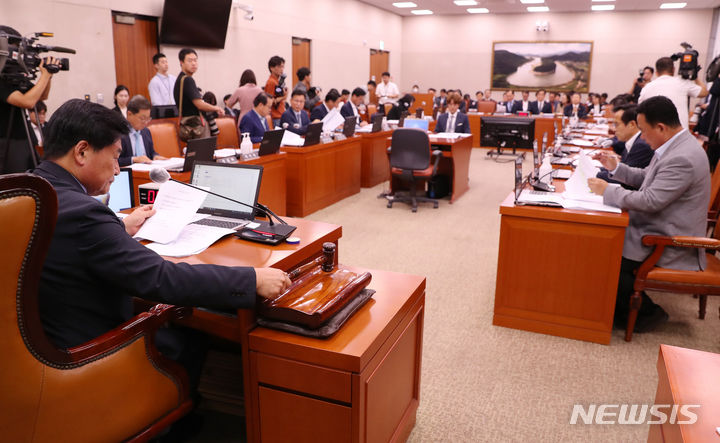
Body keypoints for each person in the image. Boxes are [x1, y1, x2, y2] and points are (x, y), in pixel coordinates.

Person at [32, 98, 290, 351]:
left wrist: (119, 228)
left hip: (45, 341)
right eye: (114, 157)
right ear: (81, 151)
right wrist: (251, 278)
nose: (117, 170)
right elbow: (160, 277)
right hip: (89, 352)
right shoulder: (85, 214)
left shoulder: (32, 192)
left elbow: (72, 244)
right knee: (191, 341)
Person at [587, 96, 710, 332]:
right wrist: (616, 168)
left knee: (608, 253)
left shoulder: (682, 157)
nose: (642, 137)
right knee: (604, 243)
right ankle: (612, 307)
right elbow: (647, 177)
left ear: (660, 127)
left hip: (670, 238)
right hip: (658, 224)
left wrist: (608, 191)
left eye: (643, 131)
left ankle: (647, 313)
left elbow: (651, 200)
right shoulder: (674, 145)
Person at [0, 26, 55, 174]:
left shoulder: (15, 79)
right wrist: (44, 76)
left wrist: (48, 75)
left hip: (24, 140)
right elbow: (27, 102)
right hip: (7, 143)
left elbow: (41, 96)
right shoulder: (2, 80)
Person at [639, 57, 708, 130]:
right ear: (673, 70)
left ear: (656, 73)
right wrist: (695, 76)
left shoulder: (647, 88)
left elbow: (640, 111)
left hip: (657, 134)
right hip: (680, 134)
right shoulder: (683, 82)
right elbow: (704, 92)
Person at [595, 104, 654, 188]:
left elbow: (624, 179)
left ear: (632, 125)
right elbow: (620, 170)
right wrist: (597, 169)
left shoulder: (641, 145)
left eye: (617, 124)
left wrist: (594, 174)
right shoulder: (633, 140)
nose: (614, 129)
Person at [173, 48, 225, 138]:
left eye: (195, 60)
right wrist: (216, 108)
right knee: (203, 151)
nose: (193, 63)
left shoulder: (180, 79)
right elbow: (199, 104)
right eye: (189, 60)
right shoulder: (188, 80)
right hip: (195, 126)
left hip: (187, 125)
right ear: (181, 62)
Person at [119, 95, 166, 166]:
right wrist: (134, 159)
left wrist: (155, 156)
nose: (146, 122)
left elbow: (151, 152)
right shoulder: (118, 133)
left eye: (148, 118)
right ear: (129, 114)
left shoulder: (146, 132)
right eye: (142, 118)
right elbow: (114, 161)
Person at [264, 55, 288, 128]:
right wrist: (284, 97)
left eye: (283, 66)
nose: (282, 69)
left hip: (280, 114)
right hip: (275, 116)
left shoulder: (277, 81)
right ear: (272, 68)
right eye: (279, 67)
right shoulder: (271, 82)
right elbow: (270, 101)